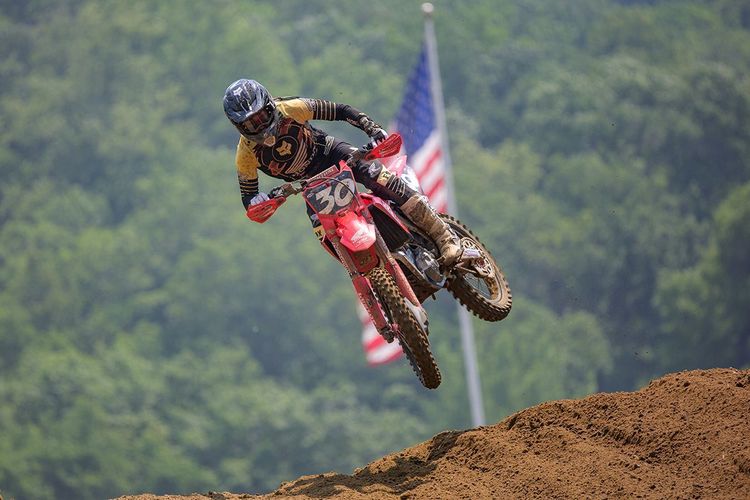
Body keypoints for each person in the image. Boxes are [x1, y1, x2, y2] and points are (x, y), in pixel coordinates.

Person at [222, 78, 461, 264]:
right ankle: (375, 275)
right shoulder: (245, 155)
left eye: (261, 116)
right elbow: (248, 198)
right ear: (238, 126)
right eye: (250, 123)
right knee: (325, 234)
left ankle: (444, 236)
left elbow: (341, 110)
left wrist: (372, 129)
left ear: (269, 105)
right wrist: (259, 201)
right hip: (309, 185)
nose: (259, 125)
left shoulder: (292, 108)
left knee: (377, 177)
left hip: (332, 154)